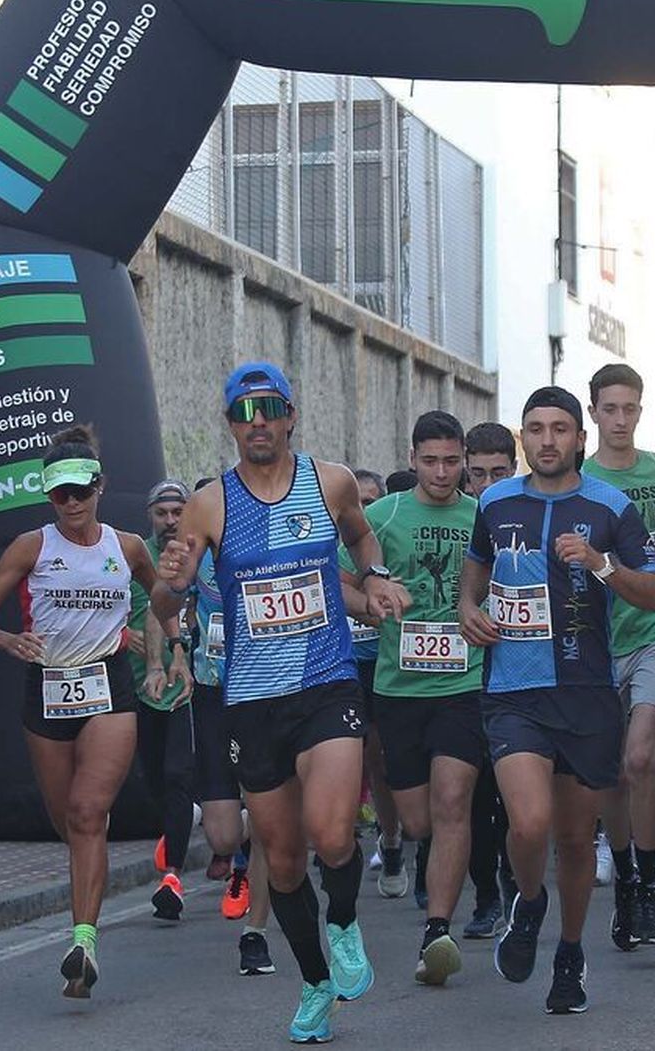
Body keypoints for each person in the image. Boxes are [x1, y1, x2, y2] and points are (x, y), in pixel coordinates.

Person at [152, 362, 410, 1043]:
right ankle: (315, 981)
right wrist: (172, 586)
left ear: (291, 414)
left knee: (331, 834)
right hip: (252, 700)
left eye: (269, 407)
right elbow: (166, 603)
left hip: (326, 684)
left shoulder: (330, 482)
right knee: (286, 858)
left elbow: (360, 535)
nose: (257, 420)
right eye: (243, 410)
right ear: (231, 423)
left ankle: (346, 921)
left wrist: (376, 575)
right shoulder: (212, 503)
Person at [458, 386, 655, 1015]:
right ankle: (529, 903)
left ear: (580, 438)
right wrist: (469, 609)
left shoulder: (610, 506)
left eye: (559, 429)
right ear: (521, 438)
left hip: (585, 693)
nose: (547, 440)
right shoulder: (494, 502)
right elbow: (476, 569)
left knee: (578, 840)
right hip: (512, 692)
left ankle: (571, 953)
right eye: (535, 429)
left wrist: (603, 565)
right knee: (528, 822)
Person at [0, 426, 163, 998]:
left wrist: (161, 641)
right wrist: (8, 641)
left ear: (100, 487)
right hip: (46, 692)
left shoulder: (126, 547)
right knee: (67, 824)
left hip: (107, 689)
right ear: (49, 497)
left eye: (80, 491)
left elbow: (163, 598)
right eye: (59, 494)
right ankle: (84, 919)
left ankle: (83, 942)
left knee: (86, 811)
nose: (71, 503)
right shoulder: (32, 546)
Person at [359, 411, 489, 987]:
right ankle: (423, 859)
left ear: (463, 459)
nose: (441, 472)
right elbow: (337, 579)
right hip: (398, 688)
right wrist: (371, 600)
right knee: (419, 820)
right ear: (412, 459)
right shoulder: (381, 516)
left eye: (451, 460)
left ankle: (438, 929)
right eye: (430, 460)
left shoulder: (484, 516)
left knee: (454, 801)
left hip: (465, 685)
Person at [581, 363, 655, 950]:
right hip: (597, 639)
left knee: (642, 757)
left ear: (640, 411)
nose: (621, 420)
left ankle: (647, 880)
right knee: (610, 769)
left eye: (630, 409)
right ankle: (626, 868)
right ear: (594, 412)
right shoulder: (577, 478)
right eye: (611, 409)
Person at [186, 515, 277, 976]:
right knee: (223, 835)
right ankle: (251, 827)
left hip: (264, 693)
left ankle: (255, 935)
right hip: (212, 695)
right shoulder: (195, 557)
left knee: (264, 823)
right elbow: (164, 606)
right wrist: (174, 657)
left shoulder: (273, 551)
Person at [460, 420, 520, 939]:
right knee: (476, 796)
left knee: (512, 795)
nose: (486, 485)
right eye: (476, 474)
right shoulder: (463, 515)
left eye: (497, 473)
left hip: (520, 676)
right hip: (457, 678)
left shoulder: (525, 514)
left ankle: (516, 882)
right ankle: (485, 894)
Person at [127, 479, 196, 922]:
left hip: (187, 683)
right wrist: (119, 635)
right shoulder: (132, 556)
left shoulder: (201, 553)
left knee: (176, 775)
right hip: (135, 684)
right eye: (161, 513)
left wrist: (182, 648)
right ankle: (179, 825)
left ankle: (172, 876)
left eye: (177, 512)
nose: (170, 521)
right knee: (153, 775)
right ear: (150, 516)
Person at [340, 469, 408, 901]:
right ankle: (391, 840)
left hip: (391, 662)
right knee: (373, 757)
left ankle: (413, 838)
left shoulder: (388, 540)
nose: (363, 512)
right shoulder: (338, 548)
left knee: (395, 756)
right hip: (349, 665)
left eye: (371, 502)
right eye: (357, 504)